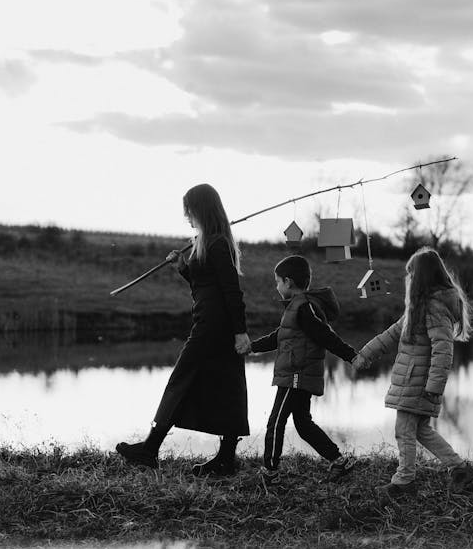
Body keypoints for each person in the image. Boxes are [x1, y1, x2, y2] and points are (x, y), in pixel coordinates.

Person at [116, 183, 251, 476]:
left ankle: (150, 450)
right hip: (212, 324)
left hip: (213, 328)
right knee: (227, 387)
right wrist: (183, 267)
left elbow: (231, 291)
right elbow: (205, 288)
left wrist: (240, 332)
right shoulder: (209, 242)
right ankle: (226, 459)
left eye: (189, 211)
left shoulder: (217, 244)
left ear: (200, 210)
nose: (187, 216)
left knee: (181, 381)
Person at [352, 247, 473, 501]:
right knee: (420, 430)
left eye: (410, 275)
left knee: (404, 431)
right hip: (414, 382)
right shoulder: (418, 308)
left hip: (419, 384)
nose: (407, 280)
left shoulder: (433, 309)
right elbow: (391, 334)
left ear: (420, 278)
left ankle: (404, 481)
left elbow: (443, 351)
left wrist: (434, 386)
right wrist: (365, 354)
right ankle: (460, 469)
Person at [248, 255, 358, 484]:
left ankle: (270, 472)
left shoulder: (304, 308)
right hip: (296, 373)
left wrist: (351, 356)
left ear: (288, 282)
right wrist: (251, 347)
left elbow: (326, 336)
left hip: (296, 374)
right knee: (303, 423)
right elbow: (279, 337)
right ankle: (339, 460)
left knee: (276, 421)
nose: (276, 287)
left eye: (277, 282)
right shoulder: (297, 307)